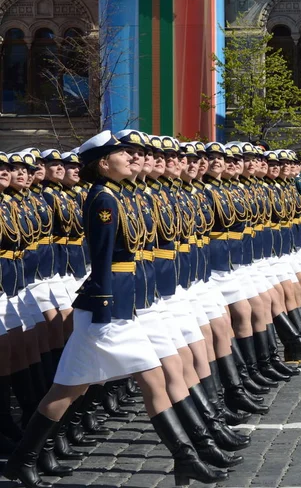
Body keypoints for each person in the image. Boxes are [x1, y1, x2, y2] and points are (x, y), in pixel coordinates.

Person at [4, 131, 227, 488]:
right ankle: (186, 459)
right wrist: (107, 305)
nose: (130, 158)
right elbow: (103, 257)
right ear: (103, 163)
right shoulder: (103, 199)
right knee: (81, 389)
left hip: (118, 305)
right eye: (122, 154)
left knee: (72, 390)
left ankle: (22, 459)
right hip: (105, 311)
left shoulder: (114, 195)